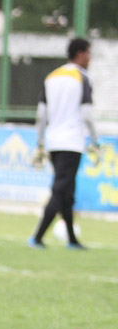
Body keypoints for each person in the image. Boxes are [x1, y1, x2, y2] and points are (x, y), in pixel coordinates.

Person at [29, 37, 99, 250]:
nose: (90, 58)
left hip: (53, 141)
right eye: (88, 53)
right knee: (61, 189)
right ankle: (37, 237)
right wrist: (95, 140)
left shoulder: (52, 76)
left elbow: (41, 114)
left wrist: (40, 141)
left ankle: (72, 240)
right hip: (72, 141)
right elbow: (86, 114)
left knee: (67, 191)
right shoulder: (82, 77)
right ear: (80, 54)